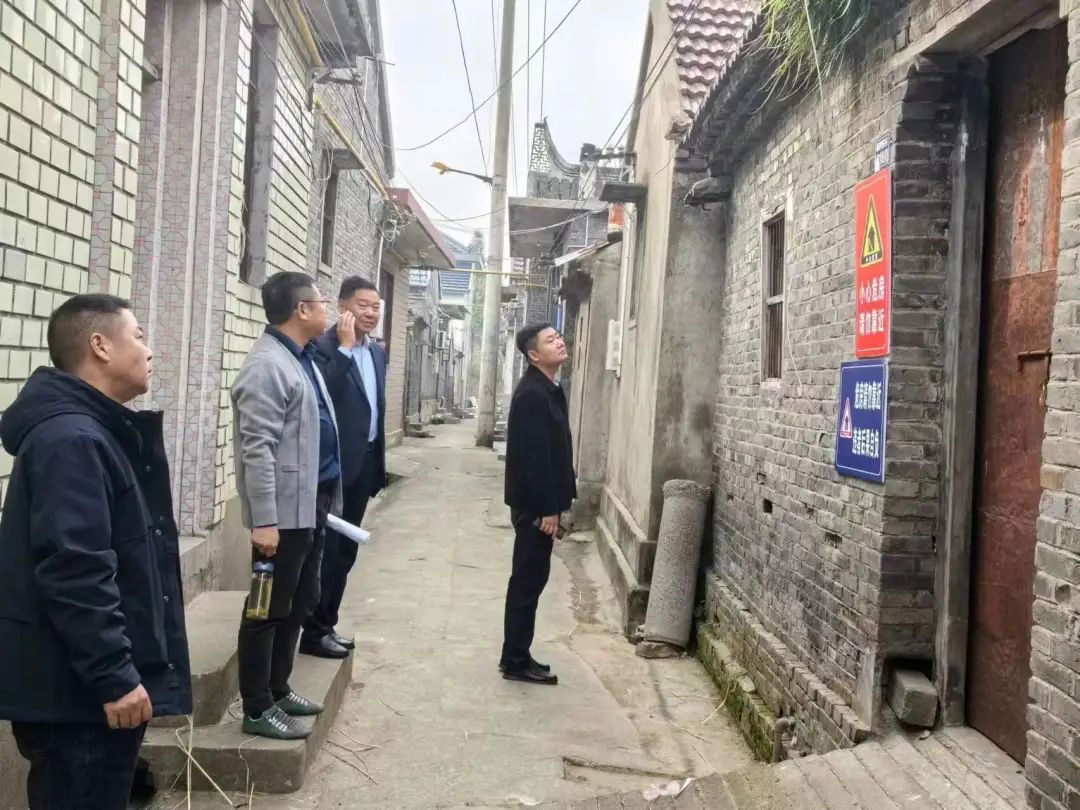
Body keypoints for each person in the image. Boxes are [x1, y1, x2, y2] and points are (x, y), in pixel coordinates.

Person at [0, 294, 192, 809]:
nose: (149, 350)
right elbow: (75, 570)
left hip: (83, 693)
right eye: (139, 336)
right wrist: (114, 677)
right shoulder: (73, 439)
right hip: (77, 702)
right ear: (101, 346)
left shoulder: (92, 431)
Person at [232, 271, 343, 739]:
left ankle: (278, 689)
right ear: (301, 310)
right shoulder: (267, 366)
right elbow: (256, 449)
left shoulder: (301, 357)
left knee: (298, 602)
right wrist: (264, 521)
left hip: (308, 506)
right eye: (321, 302)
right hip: (279, 518)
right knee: (266, 609)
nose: (327, 310)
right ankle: (257, 708)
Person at [300, 277, 388, 659]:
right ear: (342, 307)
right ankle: (313, 631)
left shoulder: (378, 353)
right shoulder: (322, 348)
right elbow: (321, 396)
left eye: (376, 307)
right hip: (334, 468)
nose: (370, 313)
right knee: (328, 553)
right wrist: (346, 350)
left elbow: (375, 409)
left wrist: (379, 465)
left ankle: (327, 623)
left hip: (364, 464)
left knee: (347, 552)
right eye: (362, 305)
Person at [499, 323, 576, 685]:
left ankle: (518, 653)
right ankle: (515, 661)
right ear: (533, 355)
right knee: (527, 582)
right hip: (535, 508)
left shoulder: (548, 388)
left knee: (532, 580)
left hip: (541, 504)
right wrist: (548, 509)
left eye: (558, 336)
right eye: (550, 340)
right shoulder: (532, 394)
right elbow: (535, 458)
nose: (559, 342)